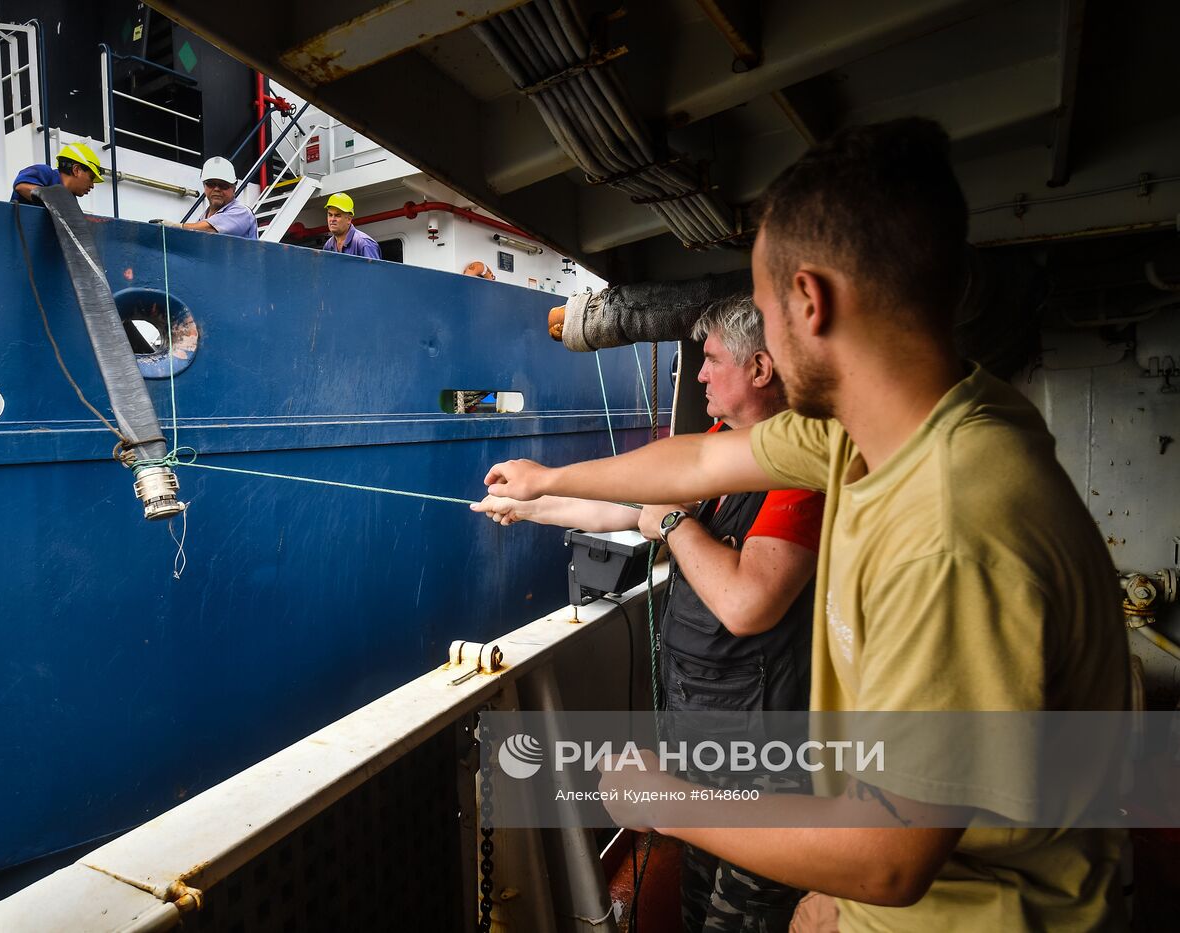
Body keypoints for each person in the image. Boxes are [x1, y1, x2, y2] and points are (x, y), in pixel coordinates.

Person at [482, 118, 1129, 932]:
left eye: (761, 308)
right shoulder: (867, 431)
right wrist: (547, 480)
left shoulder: (952, 527)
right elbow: (692, 466)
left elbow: (893, 855)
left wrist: (664, 801)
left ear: (809, 302)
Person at [475, 298, 824, 933]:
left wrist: (671, 525)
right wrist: (531, 504)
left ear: (762, 368)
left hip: (764, 757)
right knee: (695, 902)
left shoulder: (801, 466)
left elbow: (748, 602)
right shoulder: (721, 445)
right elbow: (620, 509)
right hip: (702, 739)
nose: (698, 375)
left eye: (712, 359)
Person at [156, 157, 258, 239]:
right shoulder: (203, 217)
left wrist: (176, 226)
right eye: (211, 184)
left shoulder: (242, 212)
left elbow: (209, 228)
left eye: (223, 185)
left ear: (234, 188)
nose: (217, 189)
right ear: (204, 185)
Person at [11, 142, 103, 203]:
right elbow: (21, 186)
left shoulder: (71, 199)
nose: (92, 185)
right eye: (91, 178)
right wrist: (55, 200)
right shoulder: (45, 173)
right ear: (76, 170)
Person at [321, 192, 380, 259]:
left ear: (349, 219)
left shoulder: (364, 244)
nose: (332, 219)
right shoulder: (328, 246)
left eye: (337, 215)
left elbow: (373, 269)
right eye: (330, 215)